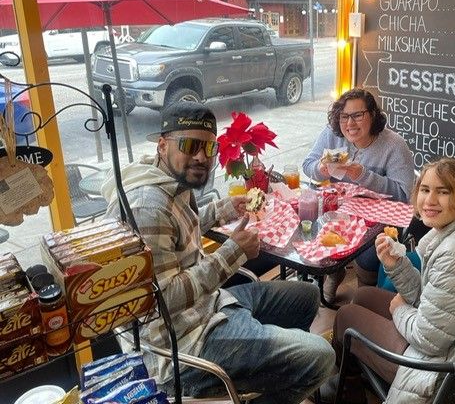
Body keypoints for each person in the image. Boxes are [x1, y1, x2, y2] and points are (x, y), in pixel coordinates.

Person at [101, 101, 334, 403]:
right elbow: (161, 301)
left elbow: (175, 235)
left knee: (308, 296)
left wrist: (221, 209)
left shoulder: (164, 179)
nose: (202, 156)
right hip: (184, 347)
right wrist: (233, 253)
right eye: (190, 145)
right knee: (321, 356)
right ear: (162, 145)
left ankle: (274, 372)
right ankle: (277, 370)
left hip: (209, 307)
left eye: (209, 147)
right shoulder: (145, 206)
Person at [324, 158, 455, 403]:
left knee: (347, 316)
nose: (429, 200)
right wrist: (397, 265)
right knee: (363, 296)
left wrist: (399, 310)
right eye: (425, 189)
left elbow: (430, 340)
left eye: (443, 192)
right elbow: (432, 297)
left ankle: (348, 389)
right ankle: (358, 373)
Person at [302, 88, 415, 301]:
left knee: (368, 257)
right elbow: (308, 165)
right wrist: (321, 169)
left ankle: (364, 295)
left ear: (372, 115)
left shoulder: (394, 145)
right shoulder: (332, 135)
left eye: (357, 115)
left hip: (380, 221)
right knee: (313, 232)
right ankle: (333, 273)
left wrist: (363, 175)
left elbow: (403, 194)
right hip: (341, 212)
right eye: (344, 116)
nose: (350, 123)